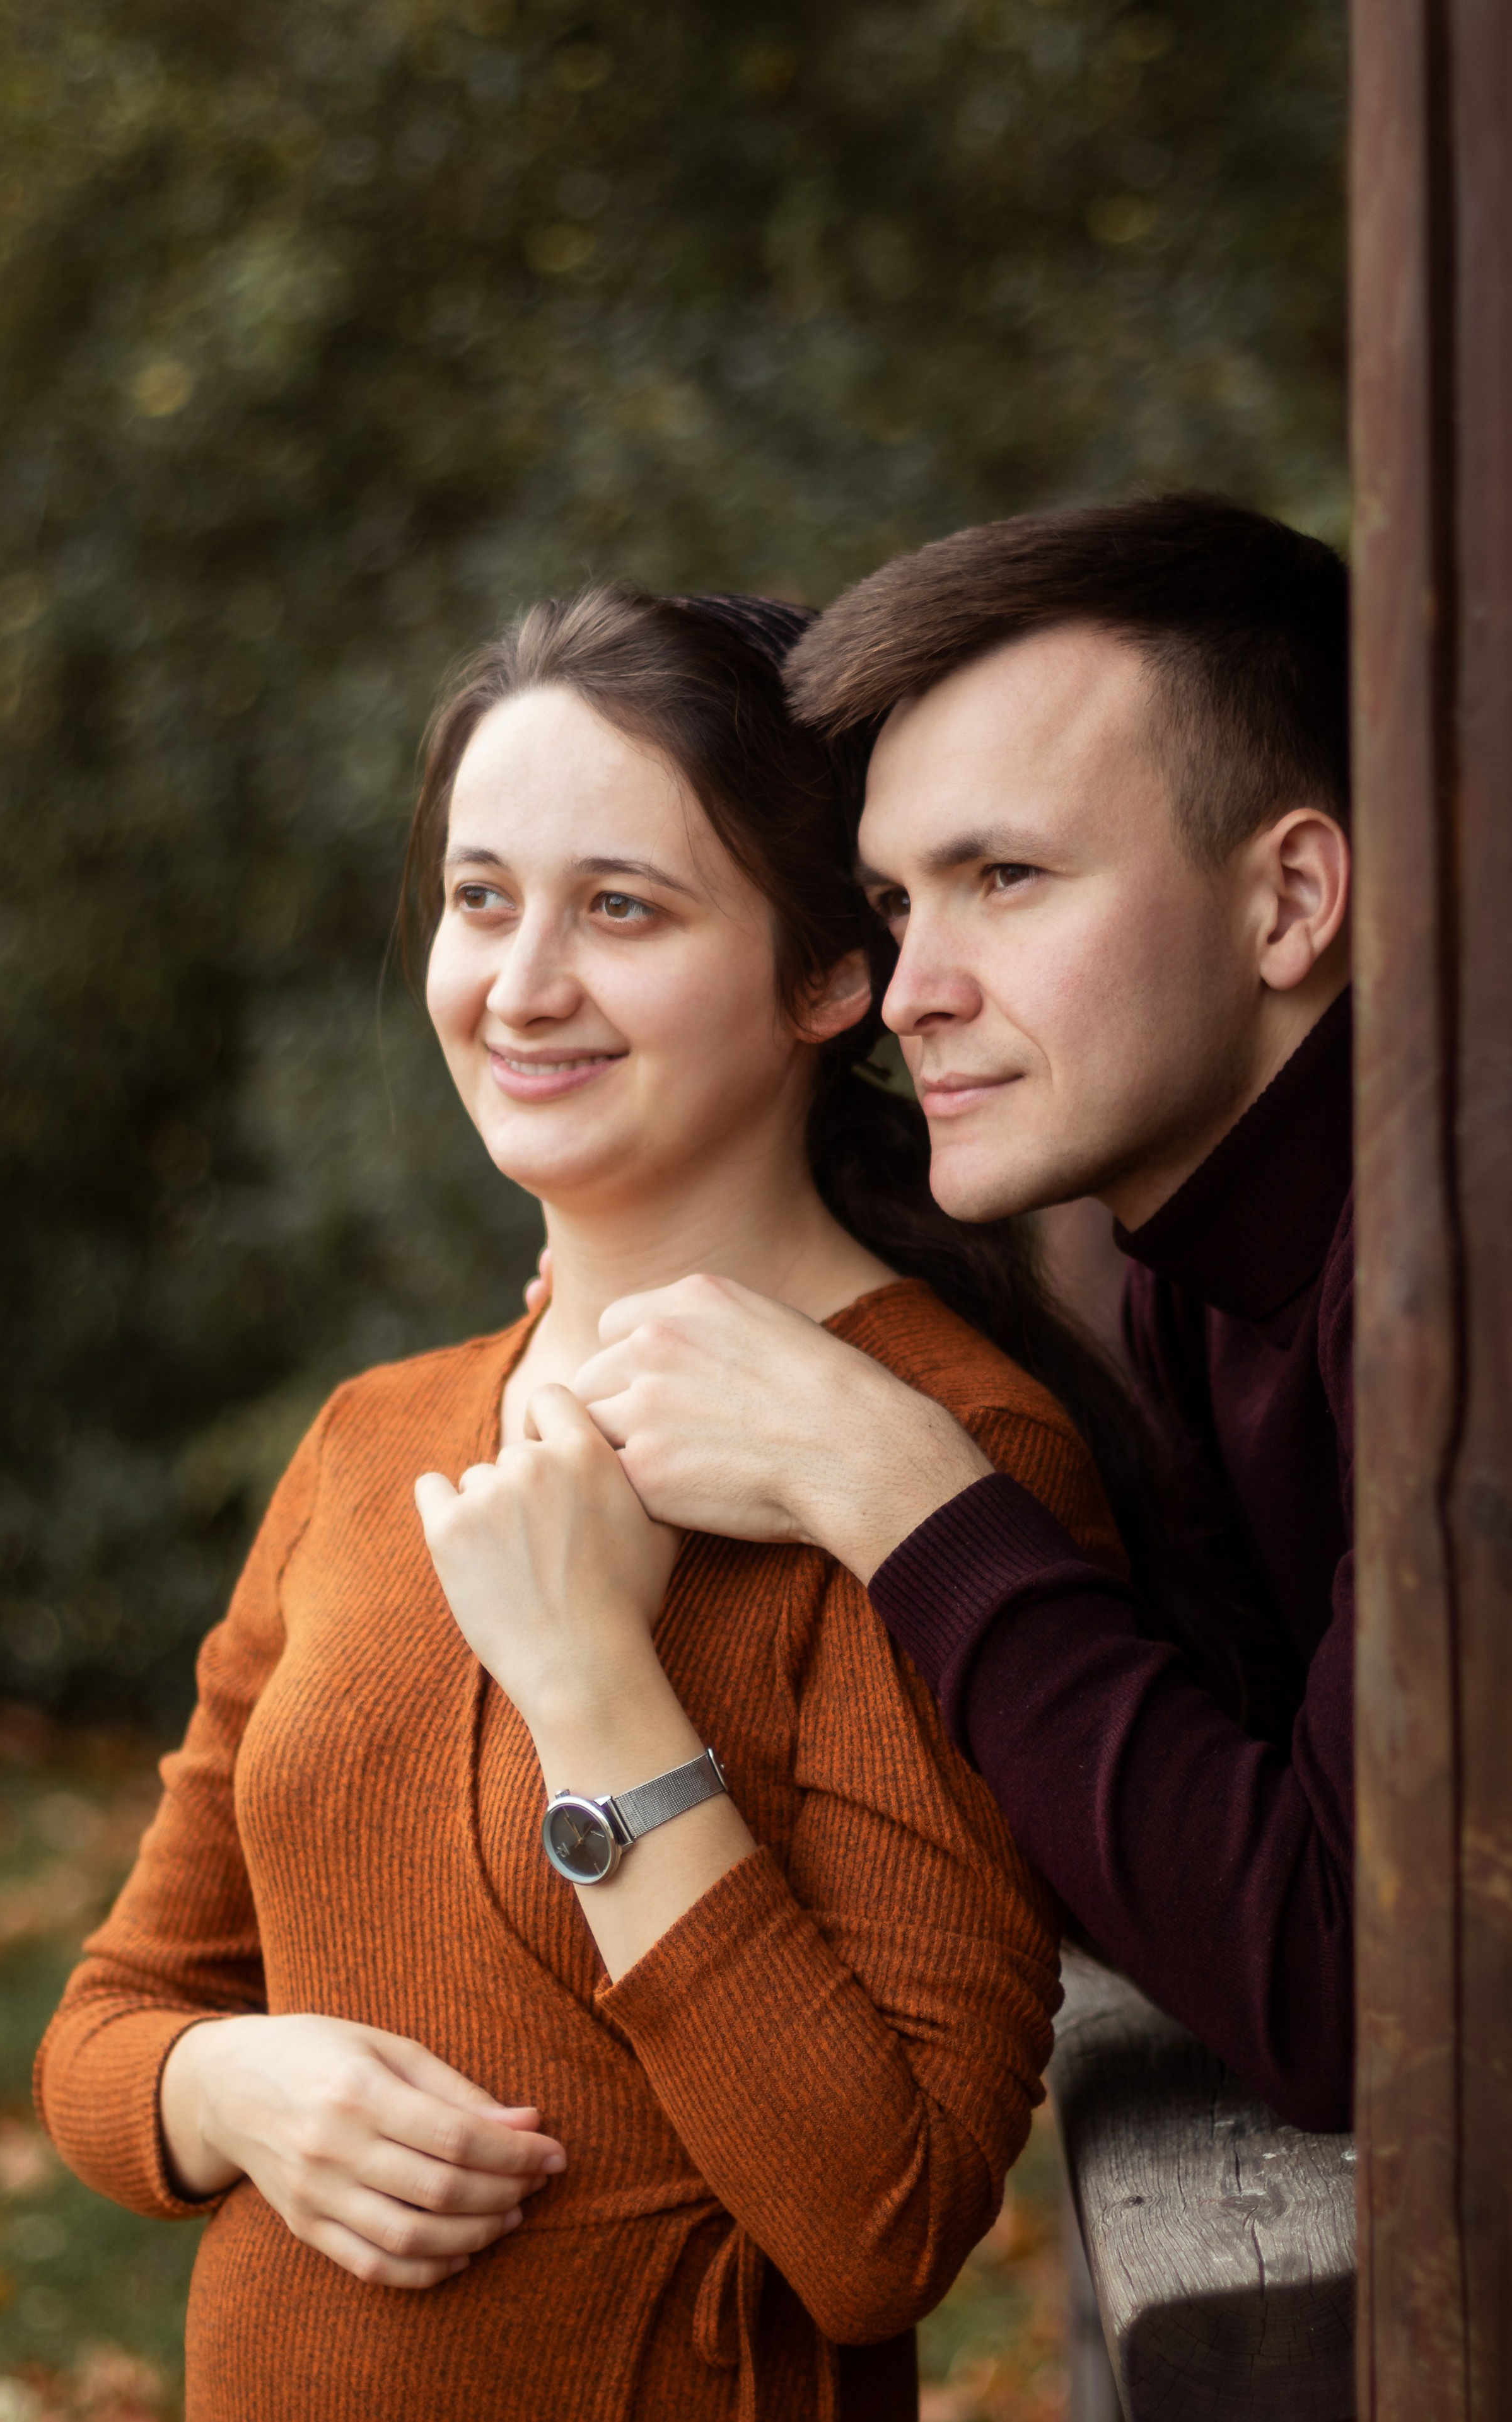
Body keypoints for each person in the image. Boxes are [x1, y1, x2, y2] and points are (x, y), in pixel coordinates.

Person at [35, 588, 1131, 2421]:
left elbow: (881, 2224)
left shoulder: (940, 1457)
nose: (520, 982)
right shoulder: (371, 1439)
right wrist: (221, 2091)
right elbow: (111, 2013)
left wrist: (592, 1684)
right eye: (481, 897)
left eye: (619, 905)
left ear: (825, 975)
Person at [559, 496, 1357, 2134]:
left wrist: (897, 1486)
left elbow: (1346, 1989)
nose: (914, 987)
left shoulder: (1445, 1291)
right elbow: (1197, 1832)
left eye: (1006, 875)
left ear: (1288, 901)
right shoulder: (1192, 1267)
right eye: (899, 902)